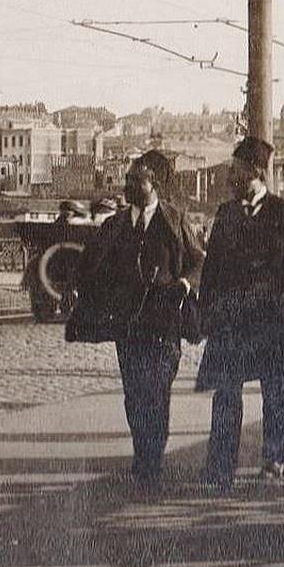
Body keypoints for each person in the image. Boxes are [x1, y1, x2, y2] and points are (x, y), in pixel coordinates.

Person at [65, 150, 204, 486]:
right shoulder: (114, 225)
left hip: (164, 322)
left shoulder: (174, 219)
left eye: (134, 180)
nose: (126, 185)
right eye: (127, 179)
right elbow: (90, 265)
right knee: (134, 395)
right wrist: (76, 289)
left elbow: (199, 261)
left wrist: (184, 284)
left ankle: (151, 459)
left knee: (157, 392)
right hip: (129, 326)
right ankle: (143, 452)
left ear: (152, 183)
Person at [195, 137, 284, 491]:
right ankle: (220, 466)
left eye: (236, 171)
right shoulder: (226, 214)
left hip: (273, 319)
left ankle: (274, 458)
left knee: (275, 391)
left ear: (256, 172)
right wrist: (208, 312)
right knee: (226, 393)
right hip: (233, 320)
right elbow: (213, 268)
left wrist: (275, 287)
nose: (231, 177)